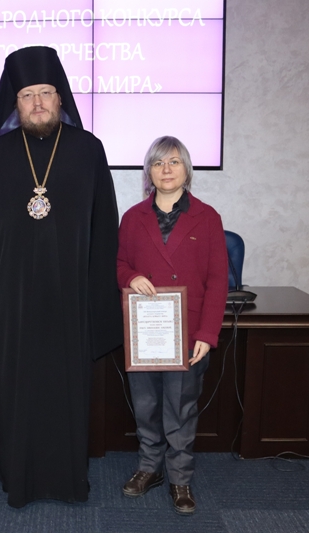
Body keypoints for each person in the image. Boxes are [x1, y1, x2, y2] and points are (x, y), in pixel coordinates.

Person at [0, 46, 122, 508]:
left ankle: (70, 480)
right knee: (21, 393)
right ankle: (20, 479)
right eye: (27, 95)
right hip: (16, 302)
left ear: (60, 97)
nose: (37, 103)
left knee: (67, 392)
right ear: (15, 102)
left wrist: (99, 299)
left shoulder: (89, 149)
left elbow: (104, 229)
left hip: (71, 299)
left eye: (45, 93)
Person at [116, 136, 228, 515]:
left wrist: (207, 334)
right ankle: (150, 467)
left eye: (174, 162)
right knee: (146, 405)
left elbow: (218, 281)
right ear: (149, 171)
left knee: (181, 408)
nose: (166, 169)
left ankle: (180, 476)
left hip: (188, 333)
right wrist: (130, 277)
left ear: (186, 170)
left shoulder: (208, 217)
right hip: (144, 333)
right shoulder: (132, 217)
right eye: (159, 162)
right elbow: (118, 264)